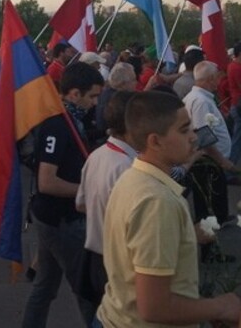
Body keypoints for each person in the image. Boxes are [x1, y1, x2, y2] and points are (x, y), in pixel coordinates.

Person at [97, 91, 241, 327]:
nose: (194, 138)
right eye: (184, 130)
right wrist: (222, 306)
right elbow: (155, 307)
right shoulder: (156, 202)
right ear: (155, 141)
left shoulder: (134, 178)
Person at [21, 62, 104, 328]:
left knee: (45, 284)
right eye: (92, 96)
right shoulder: (57, 123)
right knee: (86, 289)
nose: (95, 103)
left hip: (54, 217)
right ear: (74, 94)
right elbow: (47, 182)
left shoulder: (72, 119)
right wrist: (88, 192)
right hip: (62, 220)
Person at [75, 91, 138, 309]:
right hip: (117, 263)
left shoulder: (97, 155)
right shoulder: (127, 167)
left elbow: (81, 204)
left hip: (96, 255)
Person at [183, 61, 236, 225]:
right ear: (210, 79)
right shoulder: (201, 101)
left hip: (210, 157)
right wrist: (222, 160)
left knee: (214, 192)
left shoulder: (199, 98)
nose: (218, 82)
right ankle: (210, 227)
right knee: (207, 196)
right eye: (216, 78)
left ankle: (218, 218)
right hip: (208, 158)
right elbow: (203, 136)